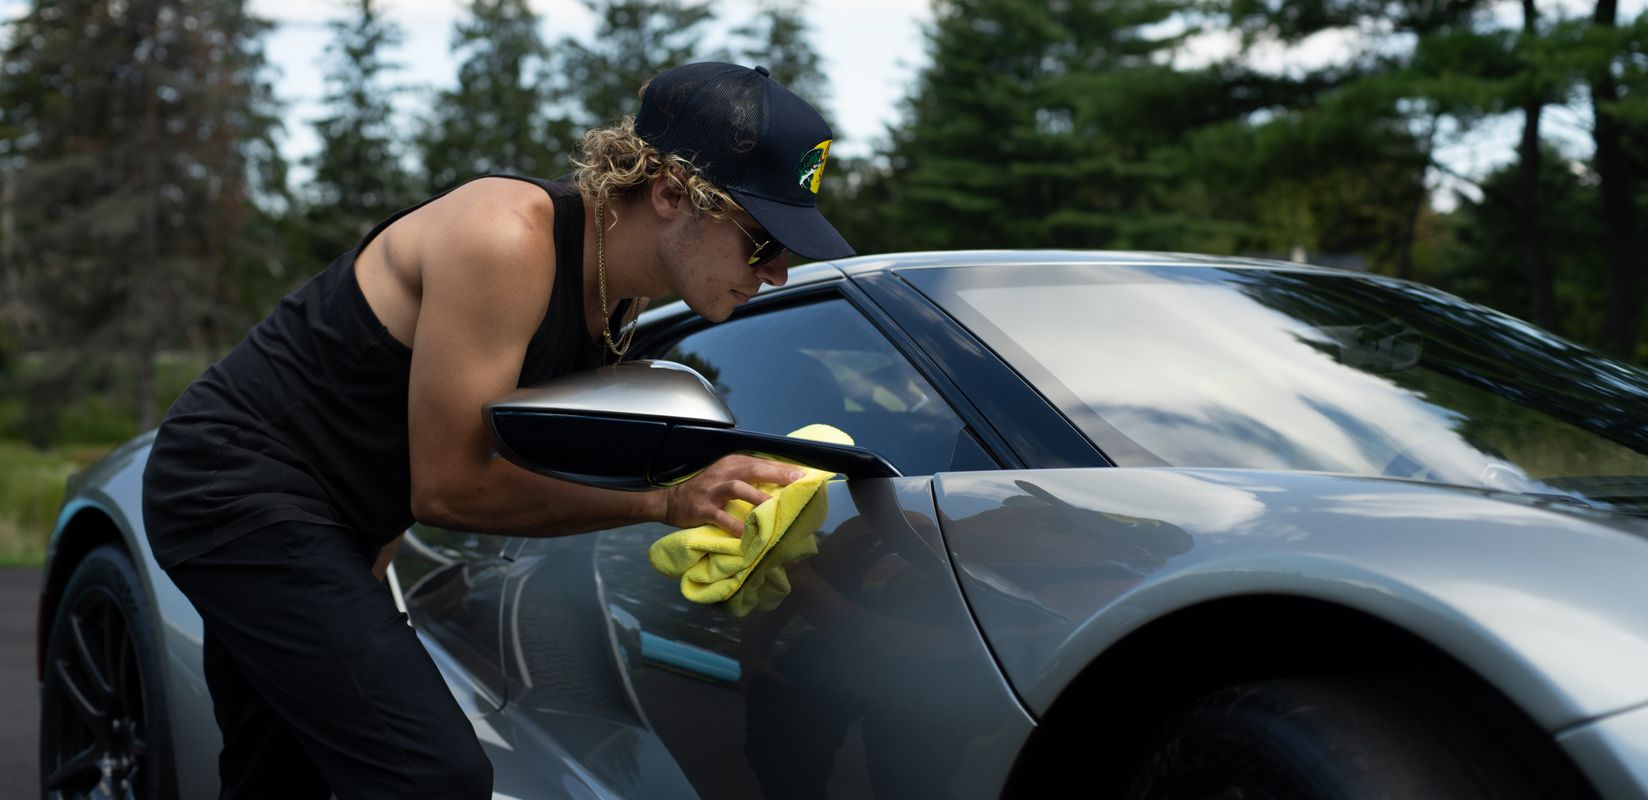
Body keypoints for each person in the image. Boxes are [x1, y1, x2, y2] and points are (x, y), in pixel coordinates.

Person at [141, 62, 853, 799]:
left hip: (334, 520)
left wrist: (368, 565)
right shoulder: (506, 237)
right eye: (762, 239)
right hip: (232, 483)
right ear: (671, 192)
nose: (776, 272)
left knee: (282, 777)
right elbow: (449, 488)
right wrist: (664, 500)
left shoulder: (619, 293)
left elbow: (390, 428)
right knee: (433, 774)